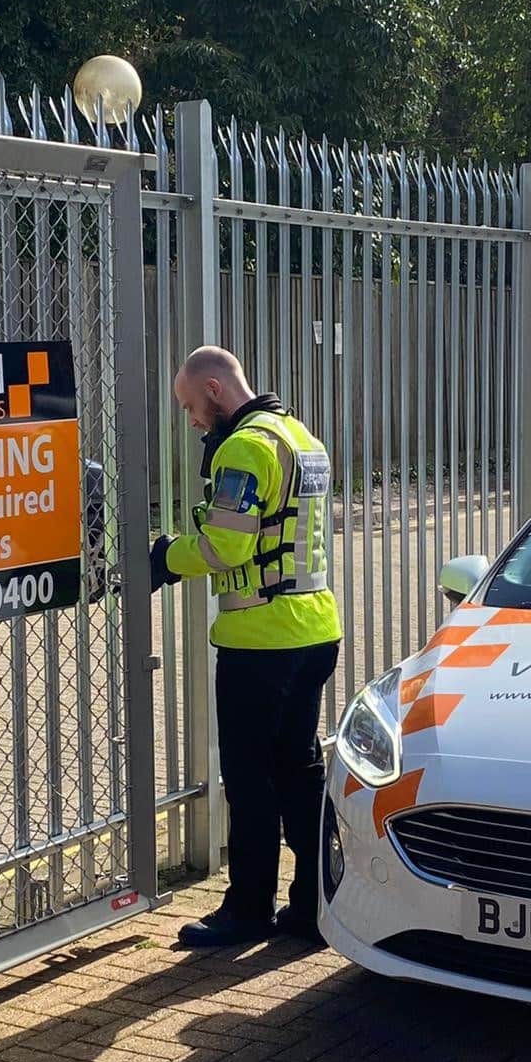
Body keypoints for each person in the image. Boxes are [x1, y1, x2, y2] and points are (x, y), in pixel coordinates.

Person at [150, 346, 342, 947]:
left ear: (213, 388)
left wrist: (164, 556)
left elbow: (225, 547)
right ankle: (314, 906)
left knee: (250, 778)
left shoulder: (245, 447)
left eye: (190, 407)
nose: (191, 422)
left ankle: (247, 910)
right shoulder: (299, 436)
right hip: (314, 630)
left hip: (260, 641)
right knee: (300, 772)